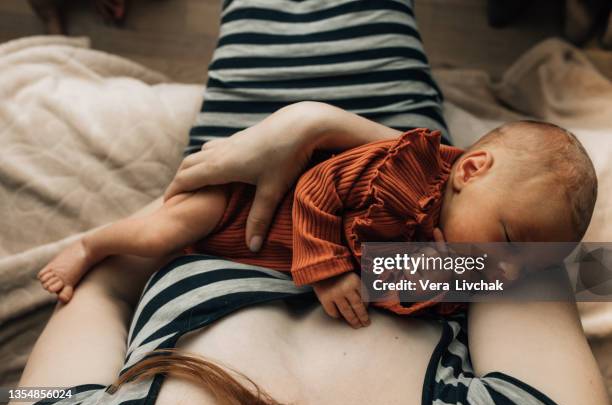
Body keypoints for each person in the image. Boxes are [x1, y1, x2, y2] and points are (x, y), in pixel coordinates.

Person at [10, 0, 610, 405]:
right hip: (409, 220)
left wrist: (206, 204)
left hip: (232, 203)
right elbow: (545, 261)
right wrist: (331, 129)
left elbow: (97, 287)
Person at [37, 117, 597, 328]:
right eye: (506, 241)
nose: (503, 268)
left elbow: (402, 291)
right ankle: (91, 243)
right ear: (470, 169)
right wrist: (327, 270)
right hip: (245, 201)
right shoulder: (405, 167)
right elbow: (314, 186)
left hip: (249, 254)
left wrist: (437, 280)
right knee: (157, 233)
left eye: (524, 266)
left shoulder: (476, 261)